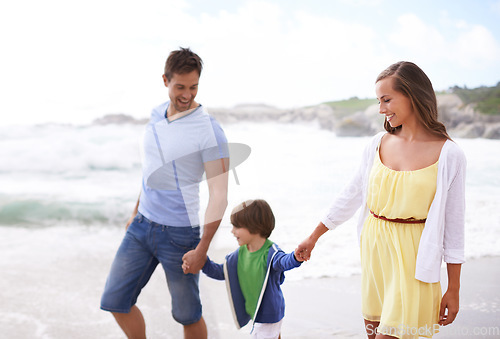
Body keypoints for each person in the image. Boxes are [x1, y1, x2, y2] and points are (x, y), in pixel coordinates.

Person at [296, 61, 466, 339]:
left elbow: (454, 226)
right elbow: (351, 194)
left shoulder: (450, 155)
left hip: (414, 261)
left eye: (387, 99)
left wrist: (454, 289)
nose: (381, 109)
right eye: (378, 101)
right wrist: (314, 236)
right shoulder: (377, 143)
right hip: (375, 254)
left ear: (413, 96)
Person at [100, 47, 230, 339]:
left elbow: (219, 196)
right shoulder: (156, 114)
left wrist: (202, 249)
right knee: (116, 301)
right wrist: (135, 214)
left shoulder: (209, 131)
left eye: (193, 87)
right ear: (165, 80)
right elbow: (151, 167)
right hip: (142, 226)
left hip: (181, 235)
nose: (187, 95)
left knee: (188, 315)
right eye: (180, 87)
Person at [194, 199, 304, 339]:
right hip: (256, 312)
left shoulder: (270, 253)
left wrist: (295, 257)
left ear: (255, 227)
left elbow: (284, 261)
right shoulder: (240, 254)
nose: (232, 231)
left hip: (269, 314)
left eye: (237, 227)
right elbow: (222, 272)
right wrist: (203, 262)